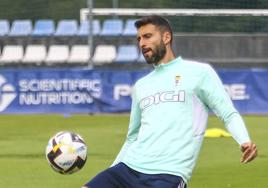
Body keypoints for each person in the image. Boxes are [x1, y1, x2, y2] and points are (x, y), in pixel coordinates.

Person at [82, 15, 257, 188]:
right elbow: (132, 137)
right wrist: (113, 171)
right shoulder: (141, 86)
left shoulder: (200, 73)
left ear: (166, 37)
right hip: (128, 168)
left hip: (168, 175)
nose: (142, 43)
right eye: (139, 38)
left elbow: (227, 113)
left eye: (147, 36)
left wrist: (244, 140)